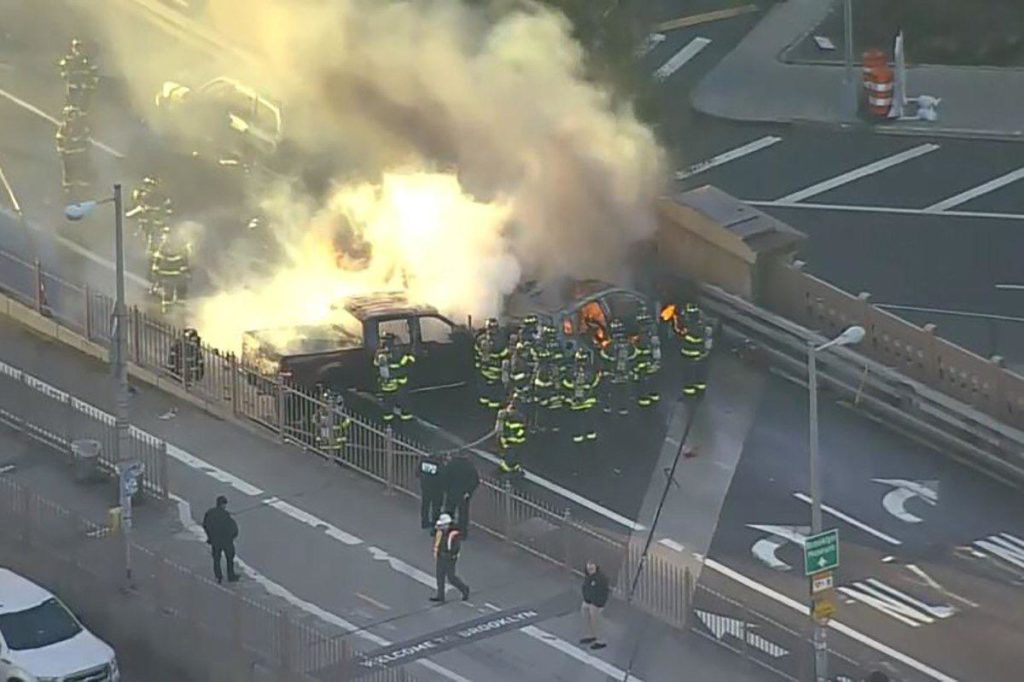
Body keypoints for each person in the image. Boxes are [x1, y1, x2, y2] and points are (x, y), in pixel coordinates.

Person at [562, 348, 601, 444]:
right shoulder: (575, 371)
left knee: (585, 418)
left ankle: (587, 433)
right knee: (581, 419)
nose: (582, 363)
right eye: (580, 361)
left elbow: (595, 384)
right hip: (580, 401)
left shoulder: (587, 371)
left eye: (583, 361)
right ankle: (582, 434)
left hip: (584, 401)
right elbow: (566, 384)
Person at [149, 226, 191, 313]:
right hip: (169, 276)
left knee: (177, 296)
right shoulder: (166, 247)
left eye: (166, 235)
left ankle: (176, 312)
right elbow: (158, 260)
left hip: (173, 276)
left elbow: (184, 261)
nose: (164, 237)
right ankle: (171, 312)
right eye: (164, 234)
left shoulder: (165, 246)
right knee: (169, 295)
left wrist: (155, 273)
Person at [599, 318, 636, 417]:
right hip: (623, 374)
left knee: (612, 391)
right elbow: (633, 356)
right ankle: (622, 407)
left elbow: (604, 356)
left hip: (614, 374)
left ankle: (611, 406)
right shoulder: (628, 344)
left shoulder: (610, 345)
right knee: (622, 391)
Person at [430, 513, 470, 603]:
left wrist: (451, 555)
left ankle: (464, 589)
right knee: (440, 576)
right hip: (440, 556)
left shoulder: (454, 534)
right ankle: (440, 596)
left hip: (450, 558)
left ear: (447, 524)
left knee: (451, 577)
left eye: (442, 525)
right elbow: (434, 536)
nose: (441, 527)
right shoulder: (440, 532)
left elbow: (455, 547)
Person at [202, 495, 239, 583]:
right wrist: (232, 536)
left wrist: (210, 537)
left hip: (215, 540)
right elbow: (233, 528)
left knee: (216, 559)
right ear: (223, 504)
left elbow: (205, 525)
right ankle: (231, 576)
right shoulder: (226, 515)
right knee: (229, 558)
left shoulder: (210, 513)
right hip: (226, 541)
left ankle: (218, 576)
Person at [473, 317, 508, 409]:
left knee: (484, 395)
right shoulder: (500, 341)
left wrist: (478, 367)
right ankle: (493, 411)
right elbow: (505, 357)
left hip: (483, 372)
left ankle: (483, 409)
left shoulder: (480, 339)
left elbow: (476, 354)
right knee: (494, 397)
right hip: (495, 373)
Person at [55, 106, 91, 193]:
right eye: (71, 116)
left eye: (74, 116)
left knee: (81, 167)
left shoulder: (81, 127)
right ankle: (68, 186)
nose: (72, 118)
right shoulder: (64, 127)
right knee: (68, 170)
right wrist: (62, 150)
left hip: (78, 152)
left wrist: (81, 144)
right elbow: (60, 139)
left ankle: (83, 183)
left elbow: (86, 137)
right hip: (68, 154)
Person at [58, 38, 99, 113]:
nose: (78, 49)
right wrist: (64, 74)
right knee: (71, 94)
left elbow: (93, 69)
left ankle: (82, 112)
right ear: (73, 48)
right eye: (76, 47)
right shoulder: (69, 59)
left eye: (79, 47)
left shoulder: (86, 60)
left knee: (85, 97)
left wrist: (93, 81)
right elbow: (62, 66)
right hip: (73, 81)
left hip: (84, 82)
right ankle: (69, 110)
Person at [444, 451, 479, 537]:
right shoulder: (469, 466)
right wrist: (468, 492)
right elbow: (475, 481)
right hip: (463, 494)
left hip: (452, 491)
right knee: (463, 514)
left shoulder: (452, 464)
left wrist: (447, 488)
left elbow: (445, 476)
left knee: (449, 511)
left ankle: (447, 529)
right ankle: (462, 532)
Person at [631, 308, 661, 408]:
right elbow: (655, 346)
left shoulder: (639, 335)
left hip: (643, 363)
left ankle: (644, 400)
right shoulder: (652, 332)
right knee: (651, 380)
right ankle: (653, 397)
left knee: (643, 382)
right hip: (650, 361)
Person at [496, 390, 527, 476]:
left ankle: (508, 470)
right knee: (512, 456)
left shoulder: (515, 416)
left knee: (511, 456)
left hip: (513, 441)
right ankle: (510, 470)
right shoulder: (518, 415)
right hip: (514, 442)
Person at [579, 561, 609, 650]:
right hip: (589, 600)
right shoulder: (588, 577)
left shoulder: (600, 579)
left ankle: (601, 640)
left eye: (591, 569)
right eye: (589, 569)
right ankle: (591, 634)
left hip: (597, 602)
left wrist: (597, 603)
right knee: (585, 611)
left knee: (595, 618)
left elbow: (602, 592)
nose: (590, 571)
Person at [315, 387, 351, 458]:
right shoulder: (321, 413)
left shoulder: (340, 414)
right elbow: (315, 420)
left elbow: (347, 420)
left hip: (337, 442)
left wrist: (342, 426)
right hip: (324, 443)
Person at [416, 452, 447, 533]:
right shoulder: (439, 465)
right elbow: (443, 476)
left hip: (425, 487)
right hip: (437, 489)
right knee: (436, 507)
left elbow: (417, 473)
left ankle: (424, 522)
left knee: (425, 505)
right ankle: (434, 524)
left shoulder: (423, 462)